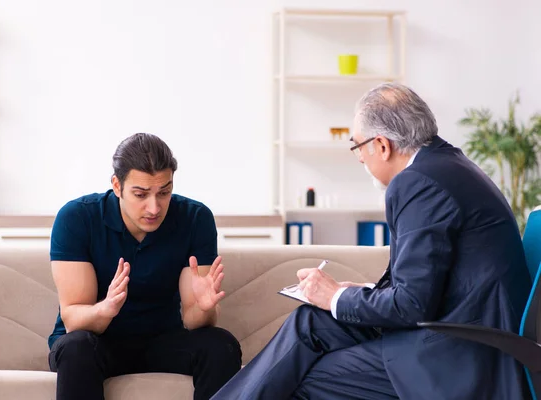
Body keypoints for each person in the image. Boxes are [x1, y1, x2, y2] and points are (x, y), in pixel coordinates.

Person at [211, 83, 532, 400]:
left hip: (459, 353)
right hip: (458, 328)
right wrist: (350, 294)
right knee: (310, 321)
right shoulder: (447, 165)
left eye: (357, 146)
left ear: (381, 145)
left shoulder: (417, 183)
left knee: (306, 378)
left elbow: (412, 305)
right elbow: (428, 285)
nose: (360, 158)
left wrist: (337, 296)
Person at [48, 132, 242, 400]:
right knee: (76, 347)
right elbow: (73, 320)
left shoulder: (195, 219)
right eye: (140, 194)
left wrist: (204, 308)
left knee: (222, 345)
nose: (154, 208)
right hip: (98, 342)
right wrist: (106, 309)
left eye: (164, 192)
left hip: (163, 339)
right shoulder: (77, 217)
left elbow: (193, 319)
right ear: (117, 186)